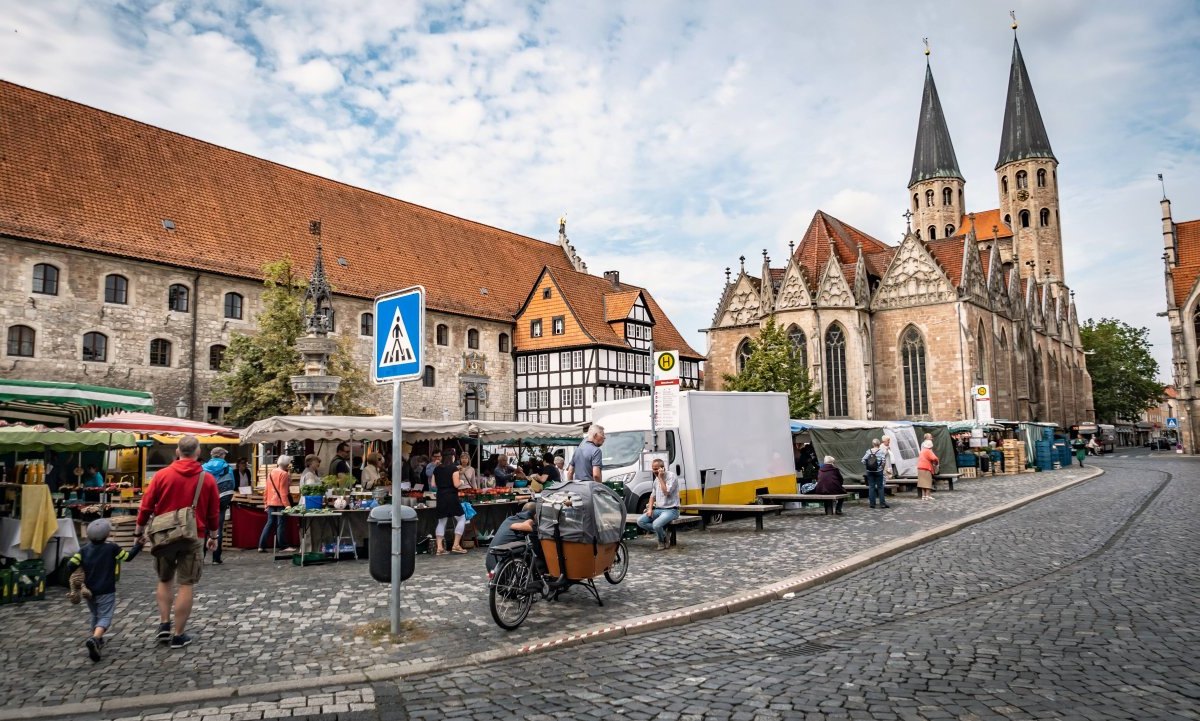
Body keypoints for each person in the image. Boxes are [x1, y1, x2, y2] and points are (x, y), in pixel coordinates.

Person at [134, 434, 220, 650]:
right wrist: (213, 536)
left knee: (164, 579)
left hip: (164, 535)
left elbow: (146, 506)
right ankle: (179, 634)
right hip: (193, 535)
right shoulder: (207, 478)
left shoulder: (162, 476)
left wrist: (138, 532)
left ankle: (164, 623)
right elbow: (213, 512)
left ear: (178, 452)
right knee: (186, 583)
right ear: (198, 452)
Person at [66, 519, 144, 662]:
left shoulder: (83, 550)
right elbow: (127, 557)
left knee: (95, 614)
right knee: (105, 617)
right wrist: (138, 546)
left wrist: (78, 573)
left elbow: (70, 565)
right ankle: (95, 638)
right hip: (106, 589)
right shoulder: (112, 548)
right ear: (107, 534)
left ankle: (97, 638)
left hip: (89, 590)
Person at [201, 448, 236, 565]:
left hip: (206, 499)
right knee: (217, 527)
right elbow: (233, 484)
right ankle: (216, 558)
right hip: (222, 498)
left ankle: (201, 557)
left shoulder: (203, 467)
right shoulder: (227, 468)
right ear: (221, 455)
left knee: (204, 528)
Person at [637, 458, 680, 550]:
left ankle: (661, 541)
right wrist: (650, 509)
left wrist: (660, 477)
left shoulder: (671, 476)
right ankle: (664, 534)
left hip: (672, 510)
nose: (654, 471)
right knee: (640, 521)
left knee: (656, 524)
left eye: (656, 469)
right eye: (653, 468)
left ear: (662, 468)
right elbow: (652, 496)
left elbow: (666, 492)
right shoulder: (656, 480)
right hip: (659, 509)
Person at [258, 456, 297, 554]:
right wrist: (287, 505)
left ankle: (261, 545)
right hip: (280, 503)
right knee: (281, 524)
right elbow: (283, 492)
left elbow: (266, 490)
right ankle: (283, 546)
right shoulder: (284, 474)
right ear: (287, 464)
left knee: (270, 523)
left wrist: (266, 503)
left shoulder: (271, 473)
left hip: (271, 501)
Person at [485, 502, 537, 573]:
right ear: (535, 515)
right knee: (531, 547)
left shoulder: (509, 519)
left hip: (491, 564)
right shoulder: (527, 523)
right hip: (503, 567)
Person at [433, 452, 466, 555]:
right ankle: (456, 545)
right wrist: (462, 482)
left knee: (441, 521)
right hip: (451, 496)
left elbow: (433, 484)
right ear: (452, 457)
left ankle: (439, 548)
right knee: (462, 518)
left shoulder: (437, 469)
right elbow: (456, 484)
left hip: (440, 496)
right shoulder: (453, 469)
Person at [861, 439, 890, 510]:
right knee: (880, 487)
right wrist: (880, 468)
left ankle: (872, 504)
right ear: (879, 444)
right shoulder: (881, 452)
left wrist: (868, 465)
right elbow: (883, 461)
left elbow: (863, 460)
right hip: (878, 471)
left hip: (870, 471)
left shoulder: (868, 451)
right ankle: (882, 504)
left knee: (871, 487)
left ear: (873, 444)